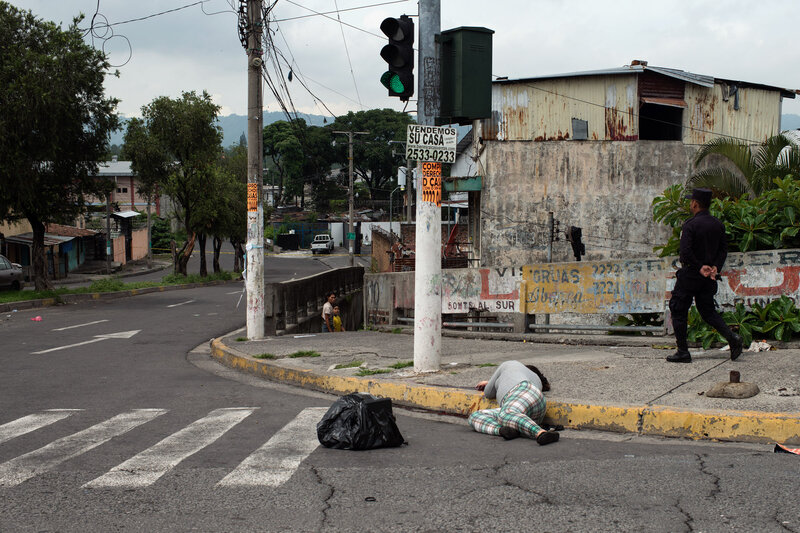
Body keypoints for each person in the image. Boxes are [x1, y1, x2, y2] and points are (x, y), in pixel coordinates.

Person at [667, 188, 743, 363]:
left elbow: (685, 253)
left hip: (691, 274)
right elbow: (723, 249)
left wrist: (700, 267)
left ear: (695, 203)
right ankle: (732, 338)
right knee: (708, 311)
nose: (690, 204)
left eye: (691, 201)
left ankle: (683, 351)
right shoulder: (718, 224)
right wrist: (715, 267)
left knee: (678, 309)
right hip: (709, 277)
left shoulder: (690, 225)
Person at [468, 360, 559, 445]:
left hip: (522, 391)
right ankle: (505, 430)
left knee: (506, 413)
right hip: (535, 406)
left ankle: (540, 433)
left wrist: (489, 383)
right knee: (475, 416)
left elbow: (488, 393)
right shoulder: (535, 378)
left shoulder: (509, 364)